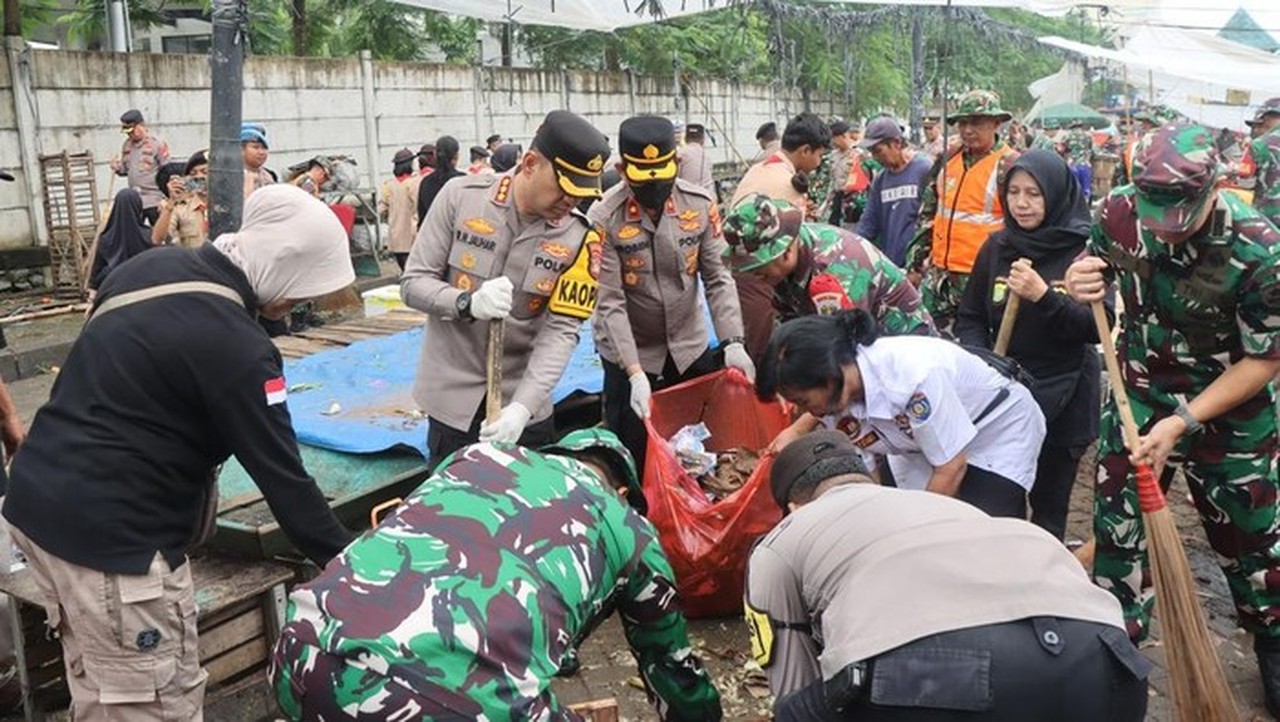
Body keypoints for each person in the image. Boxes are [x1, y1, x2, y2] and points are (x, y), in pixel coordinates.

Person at [3, 184, 357, 721]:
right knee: (153, 702)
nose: (296, 305)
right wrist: (355, 568)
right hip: (112, 543)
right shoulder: (239, 347)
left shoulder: (148, 267)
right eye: (302, 291)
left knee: (101, 682)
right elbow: (284, 480)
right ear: (284, 263)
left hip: (35, 505)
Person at [269, 429, 722, 721]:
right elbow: (671, 666)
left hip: (300, 652)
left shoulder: (478, 457)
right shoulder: (630, 529)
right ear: (622, 490)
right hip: (442, 701)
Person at [1063, 123, 1280, 713]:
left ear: (1215, 188)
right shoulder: (1117, 212)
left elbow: (1265, 359)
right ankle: (1118, 662)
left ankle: (1271, 644)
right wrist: (1081, 276)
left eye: (1178, 213)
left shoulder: (1258, 250)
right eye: (1154, 210)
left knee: (1254, 543)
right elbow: (1094, 266)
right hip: (1138, 395)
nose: (1164, 228)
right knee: (1118, 537)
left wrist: (1184, 421)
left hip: (1230, 409)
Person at [746, 431, 1149, 722]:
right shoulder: (941, 506)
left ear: (794, 505)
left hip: (949, 676)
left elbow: (793, 684)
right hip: (1108, 661)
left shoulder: (781, 540)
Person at [401, 110, 611, 465]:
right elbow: (413, 283)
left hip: (522, 411)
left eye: (581, 194)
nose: (571, 202)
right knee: (451, 516)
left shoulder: (582, 238)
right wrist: (467, 302)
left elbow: (562, 330)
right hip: (453, 407)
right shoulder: (461, 197)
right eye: (565, 188)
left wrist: (523, 409)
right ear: (530, 163)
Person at [955, 149, 1109, 541]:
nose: (1021, 204)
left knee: (1049, 507)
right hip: (1006, 389)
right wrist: (983, 363)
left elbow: (1097, 328)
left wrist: (1045, 297)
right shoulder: (997, 248)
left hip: (1065, 391)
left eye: (1034, 194)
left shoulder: (1084, 250)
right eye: (1014, 192)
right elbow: (971, 317)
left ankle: (1044, 582)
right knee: (997, 496)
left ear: (1056, 195)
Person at [759, 311, 1045, 518]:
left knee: (984, 526)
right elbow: (868, 477)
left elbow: (951, 466)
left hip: (995, 428)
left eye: (803, 401)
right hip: (918, 439)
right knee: (905, 511)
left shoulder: (912, 378)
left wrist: (911, 533)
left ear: (830, 375)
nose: (805, 412)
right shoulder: (835, 398)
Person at [590, 116, 750, 474]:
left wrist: (733, 341)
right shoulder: (604, 217)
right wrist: (633, 373)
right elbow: (610, 302)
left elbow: (718, 275)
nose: (654, 191)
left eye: (662, 178)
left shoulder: (699, 204)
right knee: (633, 450)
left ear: (676, 165)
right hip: (631, 351)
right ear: (622, 169)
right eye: (644, 180)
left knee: (697, 444)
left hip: (688, 345)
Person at [725, 194, 932, 363]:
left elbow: (844, 351)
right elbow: (791, 325)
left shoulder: (835, 269)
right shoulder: (786, 263)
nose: (753, 275)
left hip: (905, 350)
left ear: (785, 252)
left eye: (758, 267)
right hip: (864, 349)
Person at [907, 90, 1020, 338]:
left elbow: (1021, 229)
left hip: (982, 279)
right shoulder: (947, 160)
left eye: (977, 122)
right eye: (963, 123)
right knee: (932, 342)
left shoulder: (1010, 166)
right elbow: (928, 214)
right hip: (940, 278)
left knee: (980, 346)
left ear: (996, 123)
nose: (968, 130)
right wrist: (916, 264)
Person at [856, 117, 932, 270]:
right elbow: (869, 223)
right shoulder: (881, 180)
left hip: (918, 266)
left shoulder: (925, 169)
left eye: (878, 151)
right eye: (872, 152)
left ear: (896, 143)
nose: (875, 158)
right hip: (892, 265)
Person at [732, 113, 831, 215]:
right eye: (820, 155)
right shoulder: (790, 186)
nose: (818, 163)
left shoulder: (756, 169)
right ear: (805, 151)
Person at [87, 188, 156, 293]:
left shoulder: (106, 237)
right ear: (138, 207)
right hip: (145, 287)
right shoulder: (150, 235)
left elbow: (96, 274)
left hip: (114, 288)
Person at [109, 109, 169, 226]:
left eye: (132, 131)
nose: (129, 134)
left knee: (159, 234)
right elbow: (126, 170)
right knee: (134, 234)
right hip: (136, 200)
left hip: (154, 200)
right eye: (127, 132)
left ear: (141, 126)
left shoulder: (157, 144)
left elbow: (167, 171)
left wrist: (165, 198)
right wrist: (117, 168)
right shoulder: (127, 145)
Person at [152, 149, 209, 248]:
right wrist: (171, 201)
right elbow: (157, 239)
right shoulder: (181, 207)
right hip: (192, 261)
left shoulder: (230, 204)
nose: (199, 177)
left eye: (205, 172)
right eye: (193, 173)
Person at [378, 148, 423, 271]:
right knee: (413, 268)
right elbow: (419, 206)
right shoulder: (415, 183)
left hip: (395, 233)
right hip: (411, 233)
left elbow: (382, 208)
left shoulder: (389, 185)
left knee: (403, 266)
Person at [416, 135, 464, 230]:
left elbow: (422, 218)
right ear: (456, 156)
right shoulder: (464, 181)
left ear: (435, 154)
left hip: (434, 238)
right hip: (459, 239)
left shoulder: (426, 182)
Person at [1248, 97, 1280, 228]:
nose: (1255, 131)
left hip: (1271, 222)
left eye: (1259, 125)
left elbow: (1241, 176)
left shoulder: (1264, 143)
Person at [677, 122, 715, 194]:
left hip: (685, 199)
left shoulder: (680, 154)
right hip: (707, 199)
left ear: (685, 139)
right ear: (703, 140)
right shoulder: (707, 157)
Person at [1063, 120, 1096, 202]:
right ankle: (1086, 206)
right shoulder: (1088, 135)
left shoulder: (1067, 136)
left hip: (1072, 164)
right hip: (1085, 164)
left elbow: (1062, 149)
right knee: (1086, 189)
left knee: (1073, 189)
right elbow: (1092, 150)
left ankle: (1074, 207)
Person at [241, 122, 274, 199]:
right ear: (241, 150)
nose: (261, 152)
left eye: (264, 148)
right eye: (255, 147)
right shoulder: (231, 175)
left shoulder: (267, 176)